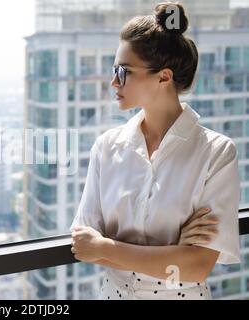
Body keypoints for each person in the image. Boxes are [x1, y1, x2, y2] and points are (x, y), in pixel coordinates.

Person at [70, 2, 241, 300]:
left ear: (163, 77)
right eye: (114, 70)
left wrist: (107, 247)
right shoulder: (107, 147)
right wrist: (173, 253)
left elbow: (198, 266)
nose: (113, 81)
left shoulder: (217, 153)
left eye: (123, 72)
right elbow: (85, 246)